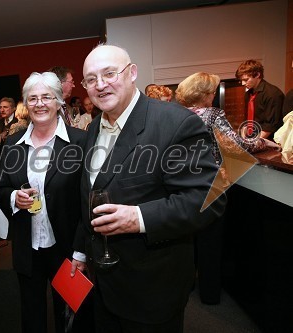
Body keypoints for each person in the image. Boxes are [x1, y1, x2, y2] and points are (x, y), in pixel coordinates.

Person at [70, 45, 226, 332]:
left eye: (109, 73)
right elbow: (89, 195)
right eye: (91, 79)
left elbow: (208, 198)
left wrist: (139, 218)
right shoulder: (93, 129)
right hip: (103, 287)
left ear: (132, 73)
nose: (100, 85)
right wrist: (80, 253)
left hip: (151, 290)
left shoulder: (175, 123)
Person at [0, 71, 89, 333]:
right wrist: (14, 197)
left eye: (46, 96)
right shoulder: (13, 143)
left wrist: (81, 250)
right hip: (27, 245)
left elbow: (87, 202)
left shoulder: (80, 142)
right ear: (26, 104)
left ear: (59, 101)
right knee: (31, 313)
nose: (39, 103)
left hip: (67, 247)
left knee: (70, 313)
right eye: (32, 98)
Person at [175, 72, 279, 305]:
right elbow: (236, 145)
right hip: (210, 184)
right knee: (210, 240)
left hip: (183, 185)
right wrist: (265, 143)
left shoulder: (176, 114)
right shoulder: (212, 114)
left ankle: (187, 286)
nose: (213, 95)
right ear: (204, 94)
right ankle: (210, 295)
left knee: (189, 240)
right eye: (212, 91)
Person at [235, 59, 284, 139]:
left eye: (246, 80)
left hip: (269, 141)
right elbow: (247, 120)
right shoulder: (248, 94)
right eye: (241, 80)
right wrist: (243, 140)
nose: (243, 83)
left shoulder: (273, 94)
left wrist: (254, 143)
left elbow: (270, 126)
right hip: (254, 138)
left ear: (257, 75)